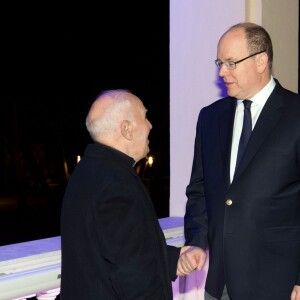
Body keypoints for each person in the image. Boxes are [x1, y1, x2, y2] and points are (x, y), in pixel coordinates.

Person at [177, 22, 300, 300]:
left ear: (261, 61)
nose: (222, 72)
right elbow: (199, 190)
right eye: (220, 62)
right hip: (220, 283)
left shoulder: (295, 115)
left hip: (279, 283)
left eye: (231, 63)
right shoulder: (210, 118)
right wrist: (196, 242)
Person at [60, 89, 190, 300]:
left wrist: (174, 259)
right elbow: (133, 276)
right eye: (145, 117)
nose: (150, 125)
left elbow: (113, 253)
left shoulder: (87, 172)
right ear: (127, 129)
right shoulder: (117, 184)